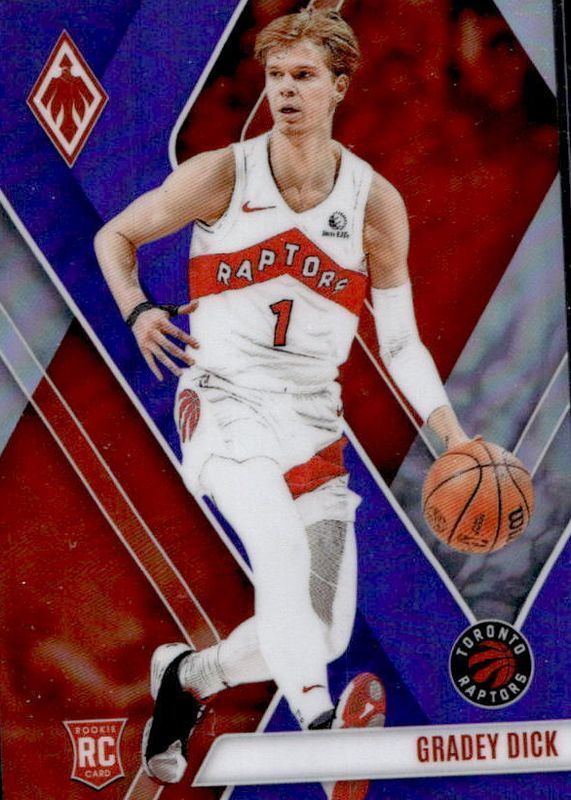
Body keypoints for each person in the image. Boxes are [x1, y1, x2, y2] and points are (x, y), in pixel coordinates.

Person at [95, 9, 468, 798]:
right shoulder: (222, 174)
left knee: (320, 633)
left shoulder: (374, 204)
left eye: (303, 77)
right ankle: (323, 735)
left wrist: (453, 437)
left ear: (339, 87)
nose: (286, 92)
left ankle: (186, 678)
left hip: (312, 426)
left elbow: (400, 343)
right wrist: (137, 310)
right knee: (279, 555)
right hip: (223, 397)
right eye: (275, 77)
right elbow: (114, 237)